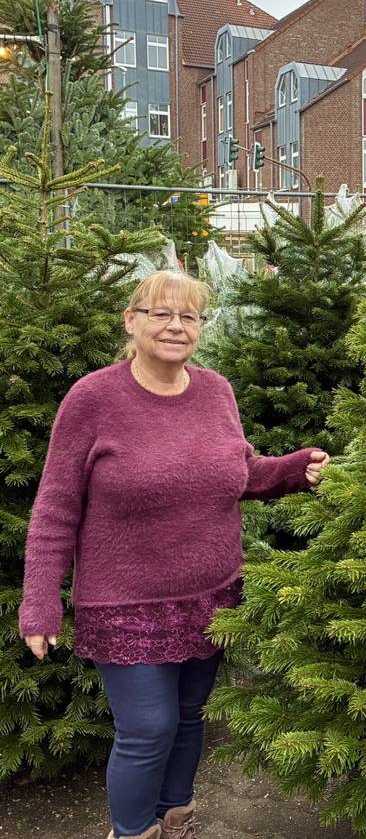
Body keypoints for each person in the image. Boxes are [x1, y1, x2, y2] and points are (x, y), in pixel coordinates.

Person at [18, 270, 331, 839]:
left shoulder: (216, 390)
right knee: (147, 728)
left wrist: (292, 469)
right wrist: (39, 603)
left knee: (189, 720)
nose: (176, 326)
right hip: (124, 601)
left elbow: (239, 473)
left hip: (211, 595)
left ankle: (177, 819)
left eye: (189, 316)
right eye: (161, 313)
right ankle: (133, 832)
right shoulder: (93, 398)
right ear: (132, 321)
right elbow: (55, 507)